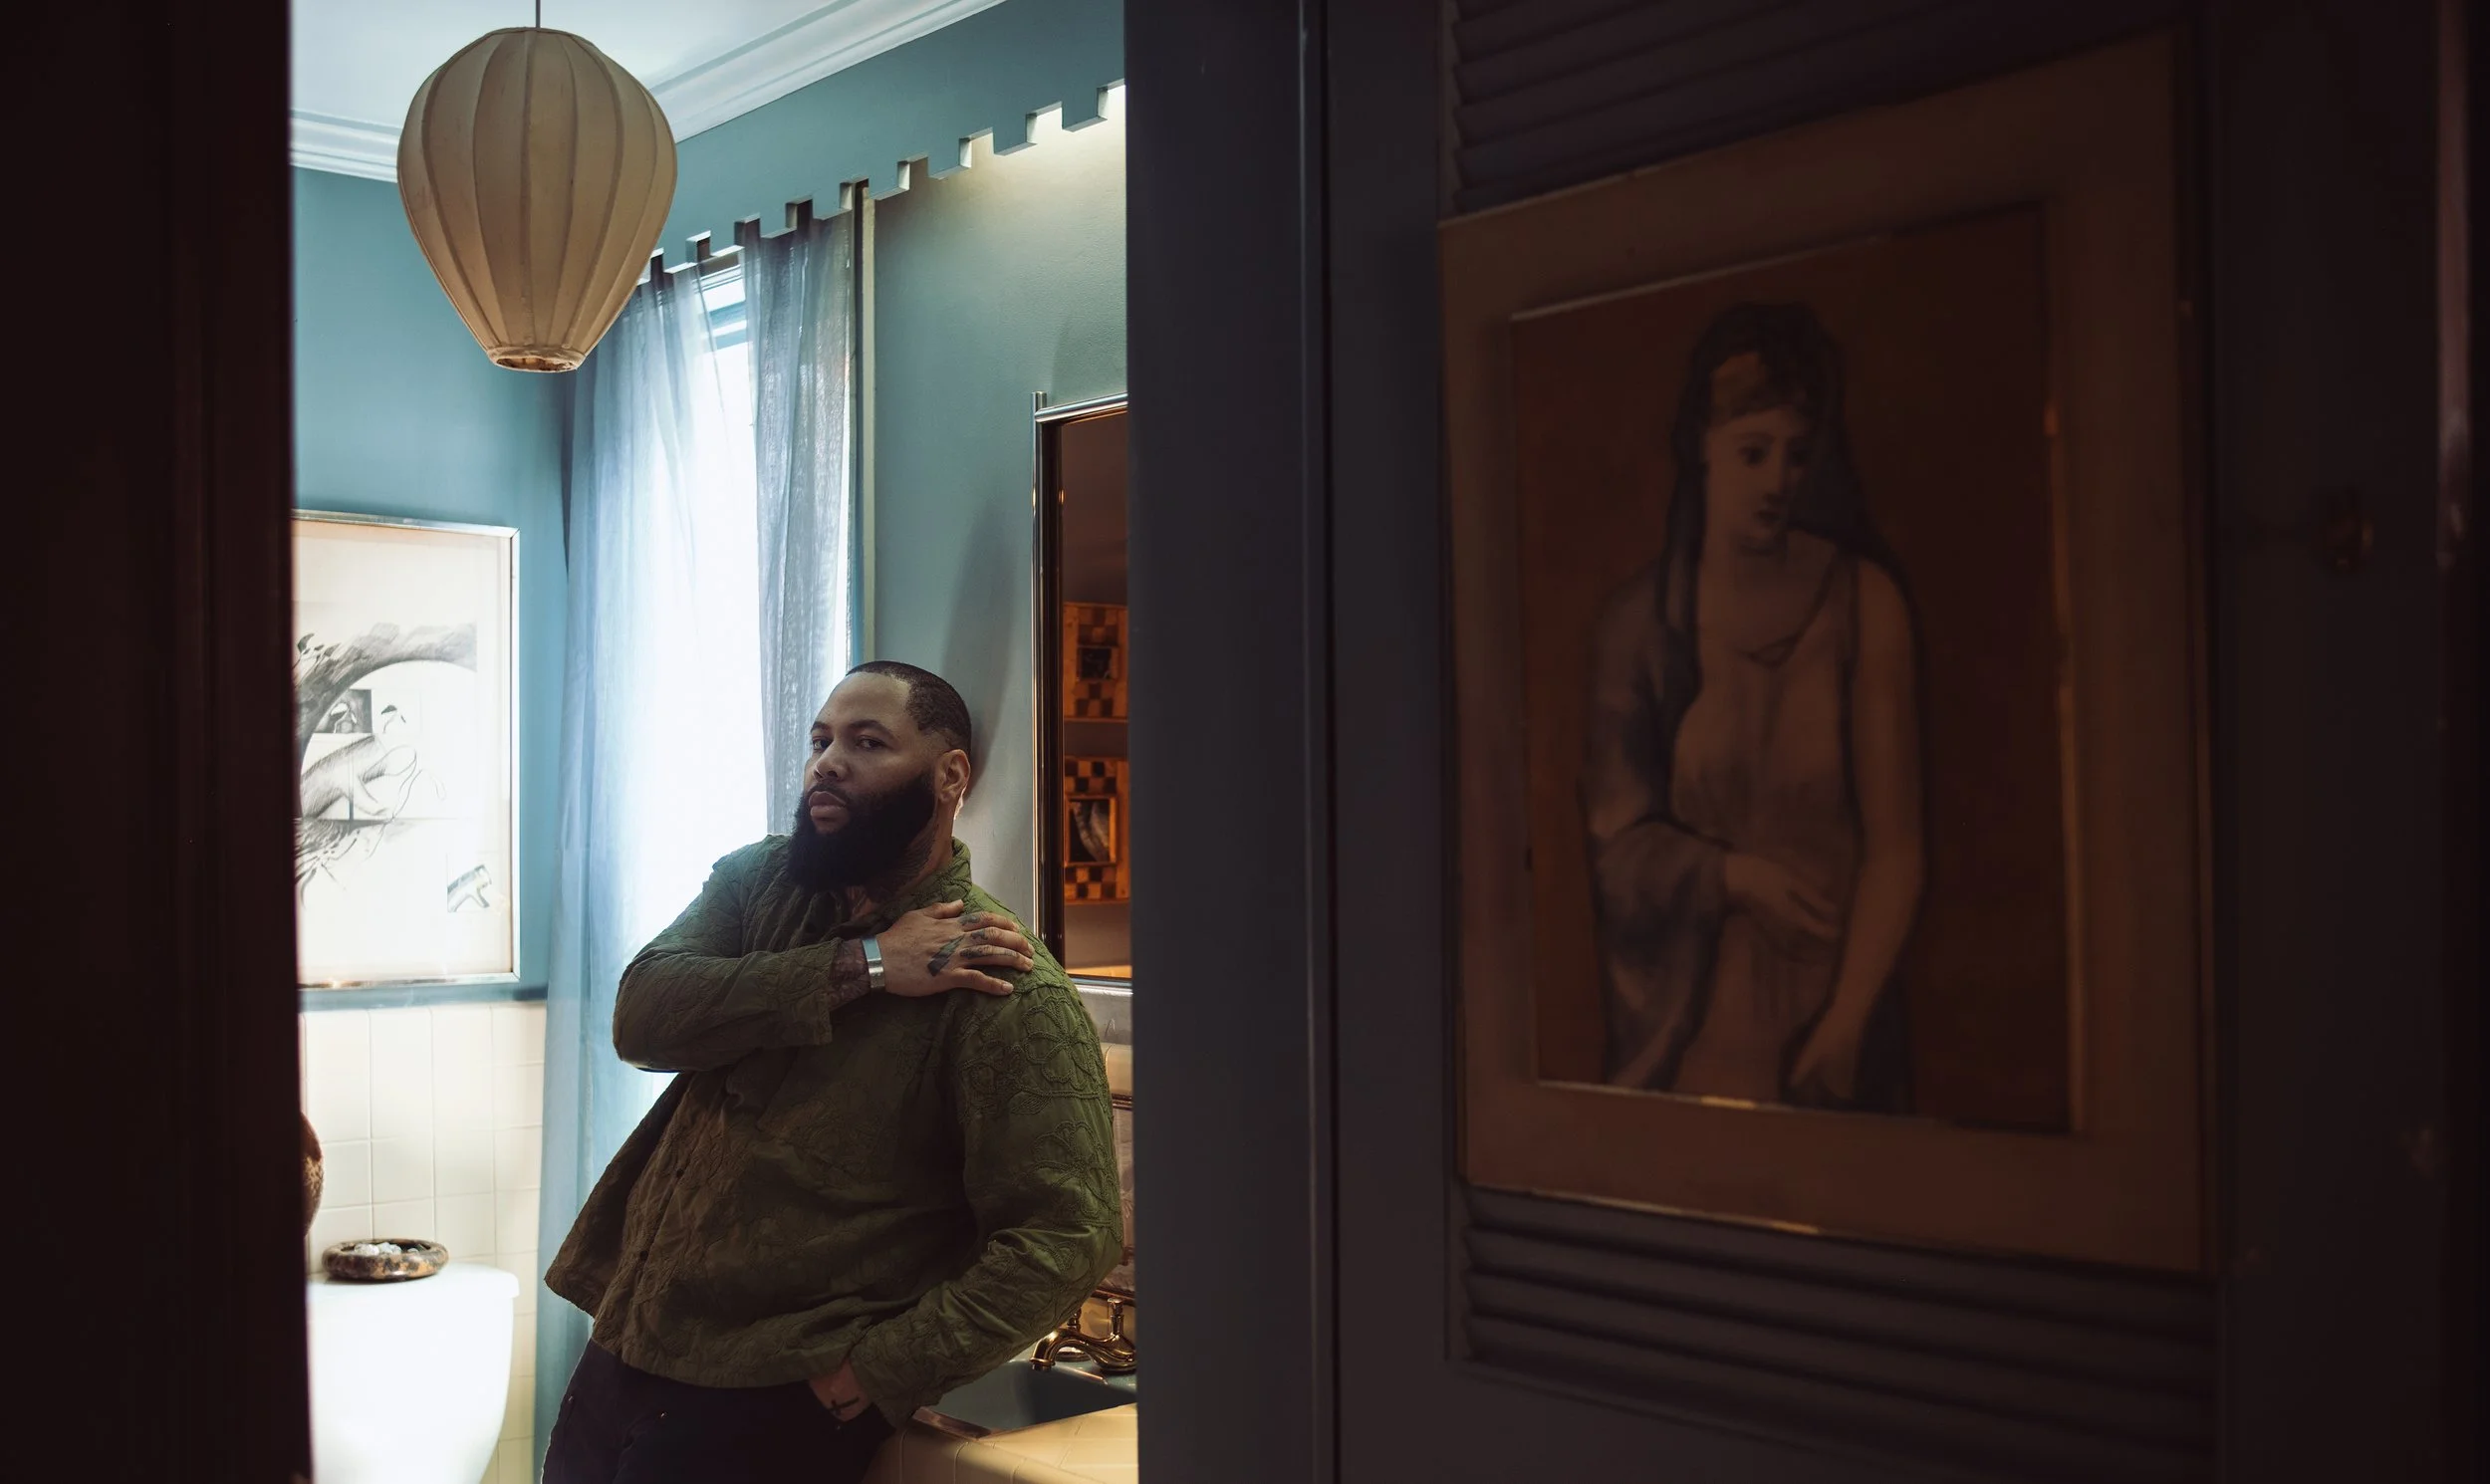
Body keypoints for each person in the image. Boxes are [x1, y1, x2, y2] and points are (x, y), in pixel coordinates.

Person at [543, 660, 1122, 1483]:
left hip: (771, 1402)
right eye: (820, 739)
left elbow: (1068, 1237)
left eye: (867, 741)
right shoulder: (759, 887)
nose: (827, 761)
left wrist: (869, 1377)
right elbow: (643, 1018)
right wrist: (867, 965)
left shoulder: (1002, 988)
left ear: (951, 774)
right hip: (628, 1352)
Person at [1582, 302, 1925, 1112]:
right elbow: (1617, 855)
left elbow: (1897, 850)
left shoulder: (1865, 605)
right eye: (1753, 453)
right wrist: (1730, 877)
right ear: (1701, 450)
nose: (1779, 481)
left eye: (1798, 456)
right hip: (1691, 1050)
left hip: (1837, 1031)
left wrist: (1844, 1025)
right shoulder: (1639, 627)